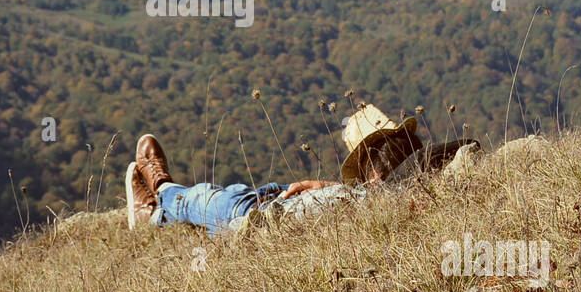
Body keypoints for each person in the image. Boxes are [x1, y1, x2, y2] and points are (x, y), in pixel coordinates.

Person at [125, 103, 477, 235]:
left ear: (370, 172)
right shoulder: (389, 192)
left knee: (217, 200)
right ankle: (159, 210)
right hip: (277, 199)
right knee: (244, 194)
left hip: (257, 215)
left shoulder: (367, 202)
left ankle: (162, 194)